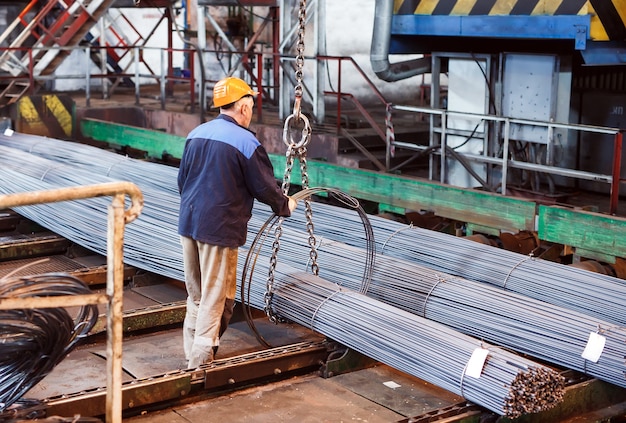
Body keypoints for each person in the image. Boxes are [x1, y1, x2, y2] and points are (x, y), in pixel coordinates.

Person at [177, 76, 297, 368]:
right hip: (218, 230)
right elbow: (264, 187)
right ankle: (200, 364)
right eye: (251, 107)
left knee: (196, 293)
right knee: (214, 298)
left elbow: (183, 181)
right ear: (243, 107)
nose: (251, 113)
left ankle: (189, 351)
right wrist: (285, 205)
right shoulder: (246, 142)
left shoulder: (196, 133)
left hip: (188, 223)